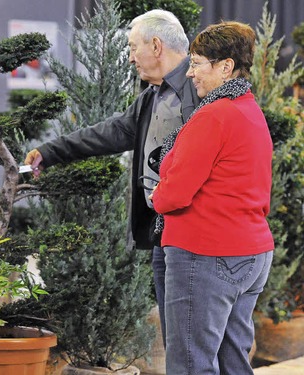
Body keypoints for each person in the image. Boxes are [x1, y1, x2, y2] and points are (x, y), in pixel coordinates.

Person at [24, 9, 200, 345]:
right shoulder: (153, 96)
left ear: (157, 46)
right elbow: (112, 132)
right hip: (164, 233)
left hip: (193, 238)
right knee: (179, 342)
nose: (131, 57)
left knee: (193, 346)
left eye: (135, 48)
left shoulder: (200, 92)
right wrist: (50, 151)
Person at [150, 21, 274, 374]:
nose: (190, 73)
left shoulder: (213, 116)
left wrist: (158, 194)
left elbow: (173, 195)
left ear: (225, 67)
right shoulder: (248, 109)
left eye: (197, 63)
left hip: (206, 254)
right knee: (234, 361)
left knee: (191, 364)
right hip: (250, 253)